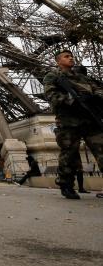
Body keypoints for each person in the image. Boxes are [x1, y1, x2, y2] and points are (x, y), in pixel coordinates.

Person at [43, 49, 103, 199]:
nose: (71, 58)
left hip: (90, 119)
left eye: (71, 56)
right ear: (58, 61)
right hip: (68, 121)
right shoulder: (53, 76)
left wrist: (93, 98)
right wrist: (73, 100)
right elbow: (51, 96)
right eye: (66, 56)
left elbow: (99, 90)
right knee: (69, 154)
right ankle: (66, 185)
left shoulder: (83, 77)